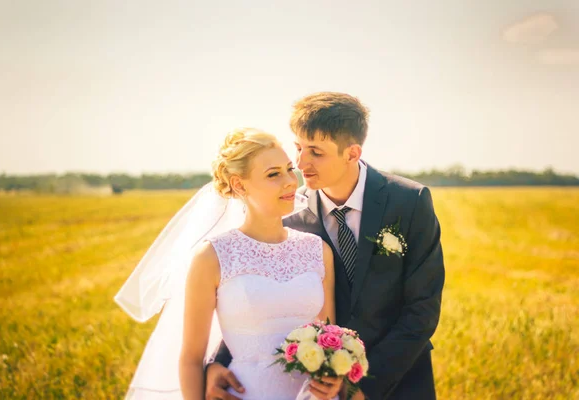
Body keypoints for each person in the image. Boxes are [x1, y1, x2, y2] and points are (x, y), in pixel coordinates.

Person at [206, 92, 445, 400]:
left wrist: (364, 386)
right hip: (316, 388)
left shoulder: (409, 202)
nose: (300, 163)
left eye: (315, 152)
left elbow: (422, 310)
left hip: (401, 382)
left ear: (352, 152)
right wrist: (218, 363)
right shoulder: (288, 212)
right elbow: (259, 297)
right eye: (298, 148)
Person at [115, 128, 338, 399]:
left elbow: (331, 340)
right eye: (273, 174)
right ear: (239, 185)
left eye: (289, 169)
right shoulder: (212, 257)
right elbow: (191, 358)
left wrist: (334, 380)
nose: (291, 181)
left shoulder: (317, 250)